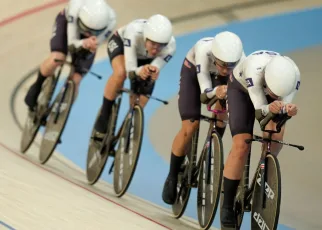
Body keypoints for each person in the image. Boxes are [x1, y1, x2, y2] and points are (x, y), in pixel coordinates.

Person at [161, 31, 245, 205]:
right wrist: (217, 91)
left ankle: (212, 144)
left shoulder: (241, 61)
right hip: (194, 73)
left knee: (224, 111)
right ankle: (172, 175)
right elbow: (205, 93)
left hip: (222, 82)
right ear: (214, 56)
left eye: (230, 66)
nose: (225, 69)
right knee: (190, 126)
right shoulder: (203, 50)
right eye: (222, 65)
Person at [220, 50, 301, 228]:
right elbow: (259, 112)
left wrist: (287, 109)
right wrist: (270, 107)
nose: (274, 95)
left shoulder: (293, 76)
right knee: (241, 144)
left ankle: (263, 171)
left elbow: (280, 112)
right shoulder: (255, 70)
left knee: (275, 140)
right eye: (272, 91)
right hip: (241, 90)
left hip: (269, 96)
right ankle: (227, 204)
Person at [93, 14, 176, 139]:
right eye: (153, 44)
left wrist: (152, 71)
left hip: (145, 59)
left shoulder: (170, 47)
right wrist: (138, 71)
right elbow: (130, 69)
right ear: (145, 37)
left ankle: (128, 125)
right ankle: (104, 115)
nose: (155, 50)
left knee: (143, 92)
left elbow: (155, 67)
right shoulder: (134, 32)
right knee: (120, 74)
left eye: (160, 46)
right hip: (122, 45)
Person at [24, 0, 116, 111]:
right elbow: (71, 43)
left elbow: (95, 44)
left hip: (89, 41)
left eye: (93, 32)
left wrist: (89, 44)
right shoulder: (75, 9)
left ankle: (62, 112)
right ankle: (37, 85)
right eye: (87, 30)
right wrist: (83, 42)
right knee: (57, 58)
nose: (88, 34)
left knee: (77, 78)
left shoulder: (111, 21)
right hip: (67, 24)